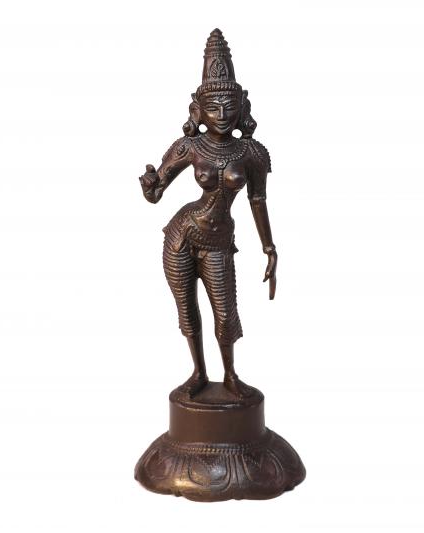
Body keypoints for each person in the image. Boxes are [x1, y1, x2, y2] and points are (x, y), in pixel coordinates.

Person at [138, 29, 277, 398]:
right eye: (212, 107)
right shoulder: (190, 146)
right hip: (181, 235)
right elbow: (156, 192)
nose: (221, 115)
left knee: (225, 313)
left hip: (218, 240)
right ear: (198, 111)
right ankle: (198, 372)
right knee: (187, 311)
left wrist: (269, 248)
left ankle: (230, 374)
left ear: (242, 109)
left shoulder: (251, 153)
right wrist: (149, 184)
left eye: (229, 107)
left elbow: (258, 200)